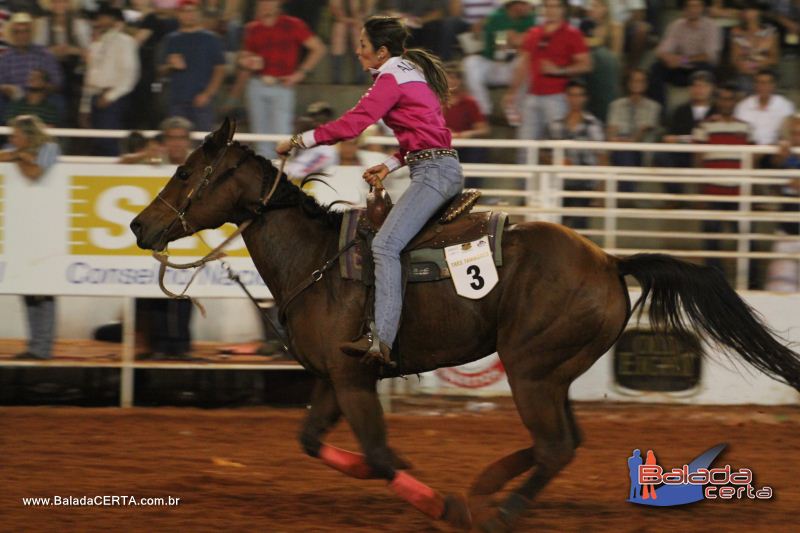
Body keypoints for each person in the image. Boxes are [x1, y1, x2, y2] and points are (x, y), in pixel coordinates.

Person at [276, 16, 464, 364]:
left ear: (380, 51)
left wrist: (300, 140)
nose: (357, 51)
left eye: (362, 45)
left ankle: (382, 341)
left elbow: (354, 124)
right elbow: (426, 137)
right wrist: (391, 165)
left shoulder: (391, 78)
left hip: (433, 173)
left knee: (385, 245)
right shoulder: (409, 73)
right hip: (437, 167)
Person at [0, 115, 61, 360]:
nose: (12, 139)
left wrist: (18, 157)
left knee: (43, 288)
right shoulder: (15, 150)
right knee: (27, 287)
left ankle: (42, 347)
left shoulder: (50, 148)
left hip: (48, 226)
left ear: (28, 135)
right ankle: (36, 344)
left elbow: (35, 172)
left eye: (16, 134)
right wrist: (19, 155)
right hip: (22, 227)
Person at [231, 0, 326, 158]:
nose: (266, 5)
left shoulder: (293, 25)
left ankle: (282, 174)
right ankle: (266, 175)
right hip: (257, 84)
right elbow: (243, 56)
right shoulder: (252, 28)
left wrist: (300, 73)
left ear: (278, 4)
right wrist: (246, 60)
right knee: (260, 135)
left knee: (282, 134)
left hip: (282, 84)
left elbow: (318, 48)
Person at [504, 0, 592, 150]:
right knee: (524, 146)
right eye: (547, 6)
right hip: (532, 95)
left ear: (563, 9)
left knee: (559, 146)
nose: (550, 10)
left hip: (557, 96)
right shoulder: (534, 33)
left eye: (555, 6)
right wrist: (512, 91)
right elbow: (523, 64)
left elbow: (586, 65)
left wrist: (559, 70)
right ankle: (525, 173)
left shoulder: (572, 34)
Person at [692, 82, 753, 274]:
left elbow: (753, 158)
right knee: (711, 241)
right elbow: (697, 159)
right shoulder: (705, 126)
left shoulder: (745, 127)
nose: (726, 102)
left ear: (735, 102)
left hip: (738, 192)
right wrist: (701, 193)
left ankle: (752, 280)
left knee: (747, 239)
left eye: (730, 99)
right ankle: (715, 282)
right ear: (718, 101)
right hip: (713, 192)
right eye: (723, 99)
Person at [545, 79, 606, 229]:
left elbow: (602, 156)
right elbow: (544, 153)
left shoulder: (592, 124)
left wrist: (600, 189)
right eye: (572, 95)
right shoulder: (555, 124)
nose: (575, 99)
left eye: (579, 95)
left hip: (584, 181)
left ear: (585, 98)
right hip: (561, 182)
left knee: (579, 225)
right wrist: (556, 161)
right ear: (566, 97)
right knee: (557, 226)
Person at [80, 3, 140, 155]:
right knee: (97, 143)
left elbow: (130, 75)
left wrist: (110, 96)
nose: (99, 21)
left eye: (104, 18)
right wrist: (85, 107)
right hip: (95, 97)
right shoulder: (95, 44)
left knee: (110, 142)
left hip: (114, 100)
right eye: (99, 18)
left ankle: (118, 176)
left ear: (114, 21)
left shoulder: (125, 41)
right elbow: (90, 77)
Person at [159, 0, 226, 131]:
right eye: (184, 11)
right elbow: (160, 70)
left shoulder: (211, 39)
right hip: (177, 102)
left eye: (192, 11)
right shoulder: (170, 39)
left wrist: (207, 94)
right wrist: (170, 65)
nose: (188, 15)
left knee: (204, 145)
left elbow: (220, 69)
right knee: (178, 143)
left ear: (199, 13)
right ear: (178, 14)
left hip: (203, 103)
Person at [462, 0, 536, 117]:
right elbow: (501, 43)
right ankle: (483, 110)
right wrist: (514, 40)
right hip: (494, 65)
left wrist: (516, 40)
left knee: (526, 62)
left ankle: (517, 111)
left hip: (515, 66)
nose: (530, 7)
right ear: (515, 5)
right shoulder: (497, 17)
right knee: (470, 62)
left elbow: (526, 41)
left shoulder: (531, 18)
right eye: (526, 4)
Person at [648, 0, 721, 107]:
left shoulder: (711, 26)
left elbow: (709, 55)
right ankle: (659, 111)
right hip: (681, 69)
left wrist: (682, 59)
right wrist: (668, 57)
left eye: (697, 6)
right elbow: (661, 50)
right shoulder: (676, 25)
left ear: (702, 8)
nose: (693, 10)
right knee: (656, 67)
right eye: (690, 6)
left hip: (699, 67)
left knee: (707, 67)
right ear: (684, 9)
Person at [0, 12, 62, 123]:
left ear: (31, 33)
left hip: (42, 98)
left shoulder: (44, 54)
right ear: (13, 35)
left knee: (58, 101)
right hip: (15, 101)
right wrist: (7, 88)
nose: (22, 36)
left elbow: (57, 82)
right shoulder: (6, 58)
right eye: (17, 32)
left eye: (25, 31)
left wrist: (41, 88)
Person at [606, 68, 661, 172]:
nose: (637, 84)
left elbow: (641, 134)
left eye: (641, 81)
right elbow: (611, 132)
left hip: (640, 151)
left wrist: (626, 142)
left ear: (646, 84)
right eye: (634, 80)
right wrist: (617, 141)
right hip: (618, 148)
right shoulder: (616, 105)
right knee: (622, 153)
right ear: (628, 83)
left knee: (626, 154)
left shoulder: (653, 107)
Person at [734, 69, 795, 147]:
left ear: (773, 85)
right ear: (754, 85)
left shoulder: (785, 106)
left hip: (775, 150)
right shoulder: (742, 106)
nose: (762, 86)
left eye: (766, 83)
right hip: (749, 149)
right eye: (759, 83)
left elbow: (787, 135)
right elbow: (739, 134)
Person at [730, 1, 779, 93]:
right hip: (745, 72)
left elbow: (774, 58)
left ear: (759, 12)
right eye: (745, 10)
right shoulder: (736, 32)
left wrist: (757, 67)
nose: (748, 12)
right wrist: (745, 68)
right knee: (745, 82)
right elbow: (734, 59)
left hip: (764, 71)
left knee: (764, 80)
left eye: (751, 9)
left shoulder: (770, 32)